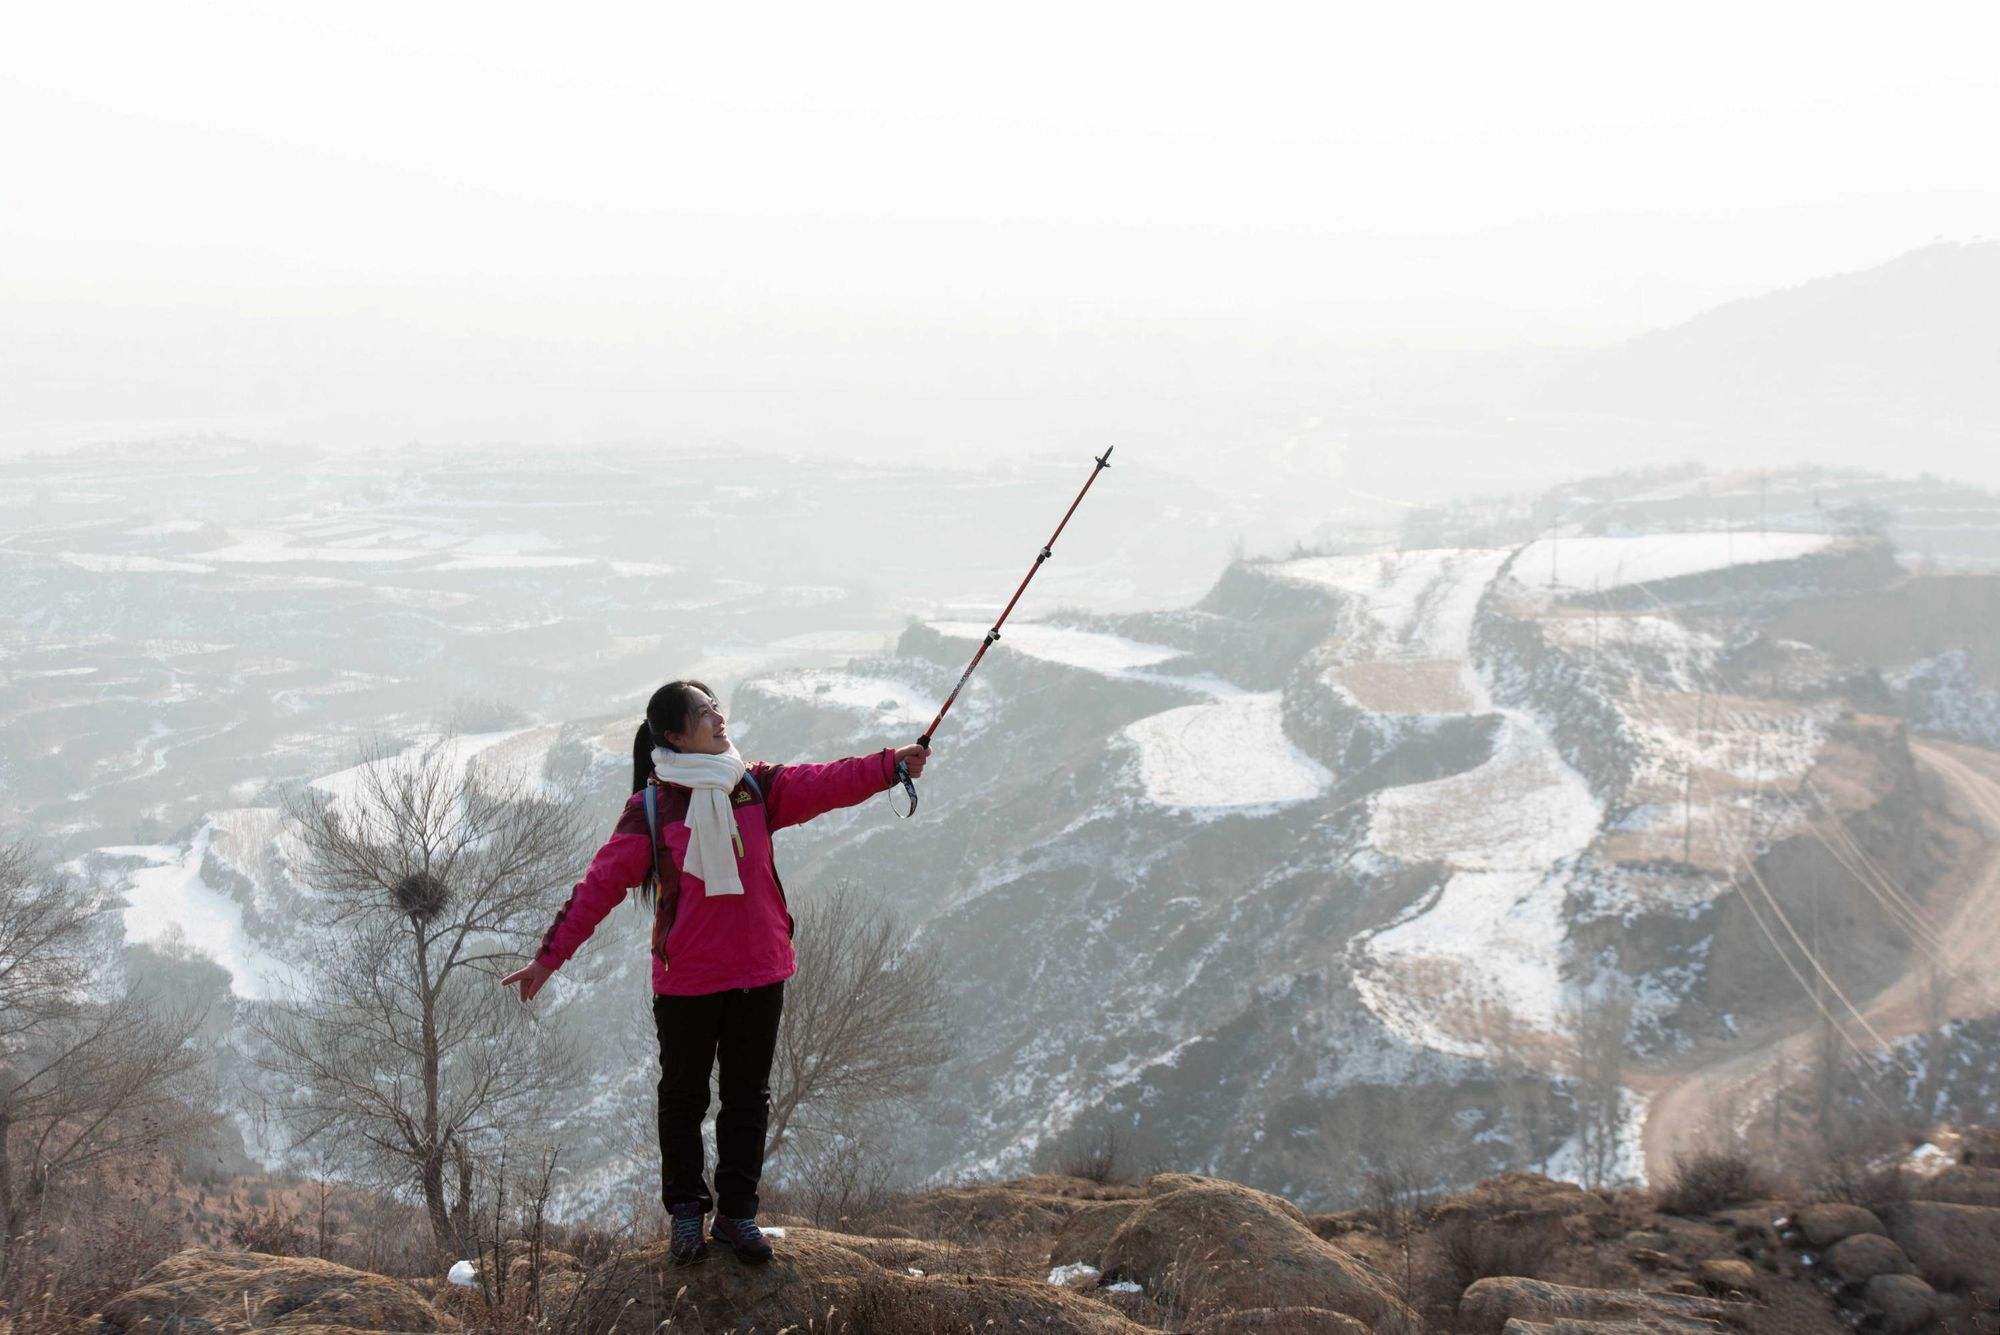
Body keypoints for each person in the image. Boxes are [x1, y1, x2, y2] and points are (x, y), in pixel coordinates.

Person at [501, 679, 928, 1264]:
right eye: (704, 712)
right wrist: (549, 958)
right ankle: (685, 1215)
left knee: (747, 1098)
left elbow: (827, 781)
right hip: (689, 980)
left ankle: (736, 1217)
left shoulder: (751, 785)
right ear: (674, 734)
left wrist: (888, 765)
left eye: (716, 707)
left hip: (760, 970)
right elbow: (597, 888)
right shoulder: (650, 809)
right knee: (683, 1098)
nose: (718, 717)